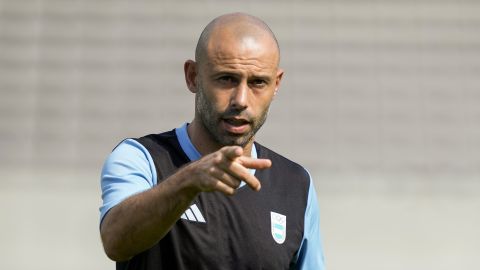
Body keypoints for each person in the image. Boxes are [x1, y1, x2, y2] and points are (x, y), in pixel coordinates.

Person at [99, 12, 325, 270]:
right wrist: (189, 180)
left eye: (258, 82)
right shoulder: (141, 158)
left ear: (276, 84)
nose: (241, 99)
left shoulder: (296, 185)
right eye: (226, 79)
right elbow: (115, 242)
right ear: (193, 76)